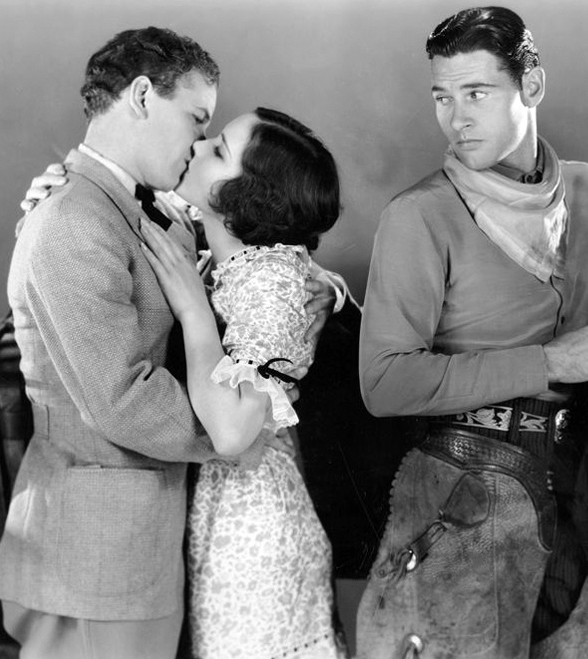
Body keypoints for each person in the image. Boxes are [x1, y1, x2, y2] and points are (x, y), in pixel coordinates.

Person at [356, 7, 588, 659]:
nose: (456, 118)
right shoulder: (420, 216)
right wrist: (548, 362)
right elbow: (385, 383)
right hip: (463, 493)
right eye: (442, 97)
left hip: (580, 492)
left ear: (532, 86)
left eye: (476, 93)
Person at [0, 28, 340, 659]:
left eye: (213, 138)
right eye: (198, 121)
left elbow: (262, 267)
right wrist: (246, 423)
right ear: (143, 96)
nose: (198, 143)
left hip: (170, 545)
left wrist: (325, 292)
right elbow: (123, 399)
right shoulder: (77, 217)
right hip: (98, 557)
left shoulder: (146, 212)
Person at [139, 107, 347, 658]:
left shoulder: (272, 283)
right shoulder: (238, 259)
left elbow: (232, 434)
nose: (198, 146)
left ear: (249, 202)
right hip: (226, 513)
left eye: (218, 151)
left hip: (254, 526)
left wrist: (194, 311)